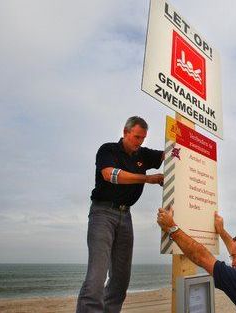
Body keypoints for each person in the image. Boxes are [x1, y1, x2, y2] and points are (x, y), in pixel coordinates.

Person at [77, 116, 164, 313]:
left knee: (121, 278)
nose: (139, 142)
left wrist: (184, 143)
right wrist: (148, 178)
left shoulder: (143, 154)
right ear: (125, 133)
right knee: (96, 276)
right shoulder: (108, 150)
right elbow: (110, 175)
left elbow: (170, 154)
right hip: (102, 213)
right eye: (136, 137)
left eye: (143, 138)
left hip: (126, 217)